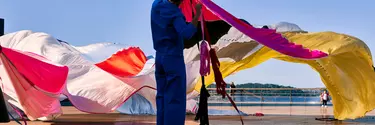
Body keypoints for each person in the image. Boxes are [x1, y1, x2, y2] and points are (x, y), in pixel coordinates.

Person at [150, 0, 202, 125]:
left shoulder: (156, 4)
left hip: (160, 58)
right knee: (175, 98)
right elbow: (187, 33)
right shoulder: (174, 12)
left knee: (162, 97)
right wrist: (197, 15)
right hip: (173, 58)